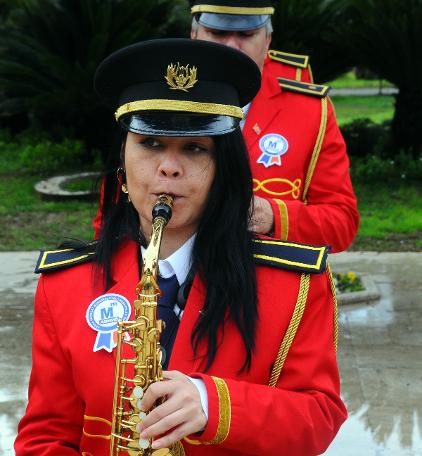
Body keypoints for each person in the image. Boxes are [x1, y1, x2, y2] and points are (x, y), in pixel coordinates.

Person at [15, 38, 346, 455]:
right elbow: (45, 437)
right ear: (122, 161)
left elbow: (318, 420)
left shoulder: (296, 286)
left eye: (194, 148)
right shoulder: (65, 284)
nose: (168, 167)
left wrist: (214, 404)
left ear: (224, 171)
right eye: (150, 143)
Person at [190, 0, 360, 252]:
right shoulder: (155, 99)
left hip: (269, 281)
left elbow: (342, 223)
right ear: (194, 36)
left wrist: (273, 217)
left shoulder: (309, 110)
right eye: (217, 33)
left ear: (267, 40)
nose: (232, 46)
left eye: (247, 34)